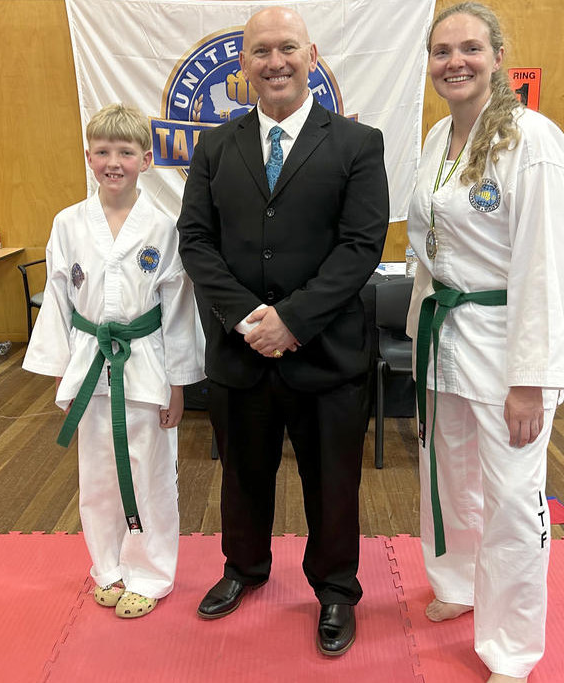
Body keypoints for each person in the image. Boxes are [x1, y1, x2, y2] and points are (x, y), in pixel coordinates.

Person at [176, 6, 389, 656]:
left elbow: (361, 246)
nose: (275, 61)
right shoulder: (214, 145)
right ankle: (242, 567)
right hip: (242, 353)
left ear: (312, 54)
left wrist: (293, 319)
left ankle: (334, 589)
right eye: (261, 50)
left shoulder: (358, 143)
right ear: (243, 63)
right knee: (242, 474)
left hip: (327, 352)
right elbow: (195, 239)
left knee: (332, 482)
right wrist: (248, 317)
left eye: (287, 48)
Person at [405, 3, 564, 681]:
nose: (456, 62)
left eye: (470, 48)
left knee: (512, 495)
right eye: (442, 51)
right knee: (445, 474)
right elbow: (429, 249)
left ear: (498, 56)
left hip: (507, 342)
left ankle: (510, 643)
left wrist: (531, 377)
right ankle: (455, 582)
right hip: (444, 334)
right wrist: (419, 323)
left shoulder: (530, 141)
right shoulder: (436, 139)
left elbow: (544, 265)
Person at [23, 103, 204, 619]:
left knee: (150, 473)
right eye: (102, 151)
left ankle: (150, 572)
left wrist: (179, 383)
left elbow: (177, 308)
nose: (113, 162)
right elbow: (57, 296)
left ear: (147, 159)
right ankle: (107, 566)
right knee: (98, 473)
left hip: (145, 360)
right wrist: (63, 368)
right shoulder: (68, 222)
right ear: (88, 157)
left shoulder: (163, 227)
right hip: (88, 359)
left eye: (125, 152)